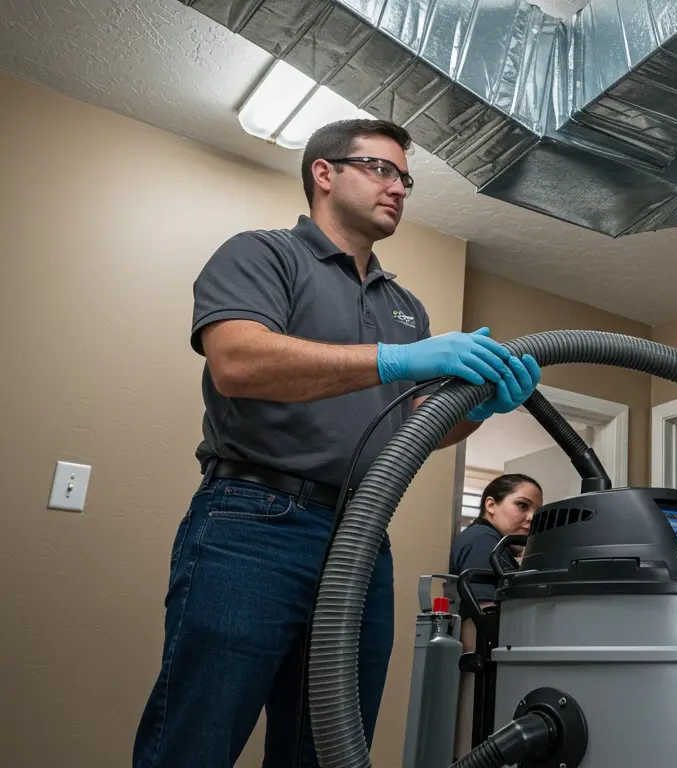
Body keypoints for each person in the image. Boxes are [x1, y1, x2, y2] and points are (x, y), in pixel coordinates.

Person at [132, 118, 542, 767]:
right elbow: (237, 362)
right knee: (196, 740)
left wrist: (481, 409)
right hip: (254, 525)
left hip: (360, 539)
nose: (399, 188)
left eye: (405, 177)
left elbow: (416, 423)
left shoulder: (404, 304)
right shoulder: (263, 254)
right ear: (325, 173)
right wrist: (393, 358)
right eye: (381, 169)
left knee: (327, 750)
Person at [450, 473, 544, 606]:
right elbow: (482, 612)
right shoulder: (482, 539)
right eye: (522, 505)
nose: (532, 517)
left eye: (538, 511)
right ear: (491, 505)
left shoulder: (494, 543)